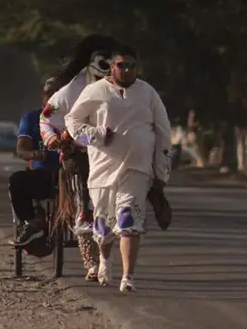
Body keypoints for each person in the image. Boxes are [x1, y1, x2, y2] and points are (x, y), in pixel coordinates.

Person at [64, 44, 172, 292]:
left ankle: (128, 277)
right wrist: (96, 135)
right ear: (112, 67)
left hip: (136, 169)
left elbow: (164, 132)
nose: (127, 70)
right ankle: (103, 259)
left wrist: (161, 171)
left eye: (132, 66)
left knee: (128, 220)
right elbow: (72, 121)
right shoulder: (95, 91)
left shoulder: (148, 93)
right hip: (102, 170)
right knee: (103, 226)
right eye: (121, 65)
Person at [9, 78, 101, 280]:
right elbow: (22, 149)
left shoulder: (80, 115)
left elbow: (93, 138)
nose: (54, 98)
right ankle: (32, 222)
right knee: (16, 180)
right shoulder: (34, 118)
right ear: (44, 97)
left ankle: (95, 258)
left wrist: (76, 144)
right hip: (45, 174)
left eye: (59, 94)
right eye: (50, 94)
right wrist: (34, 154)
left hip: (74, 172)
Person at [40, 34, 119, 235]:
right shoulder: (69, 93)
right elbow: (46, 118)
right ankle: (83, 213)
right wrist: (54, 138)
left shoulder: (130, 89)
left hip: (117, 150)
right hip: (80, 148)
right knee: (79, 165)